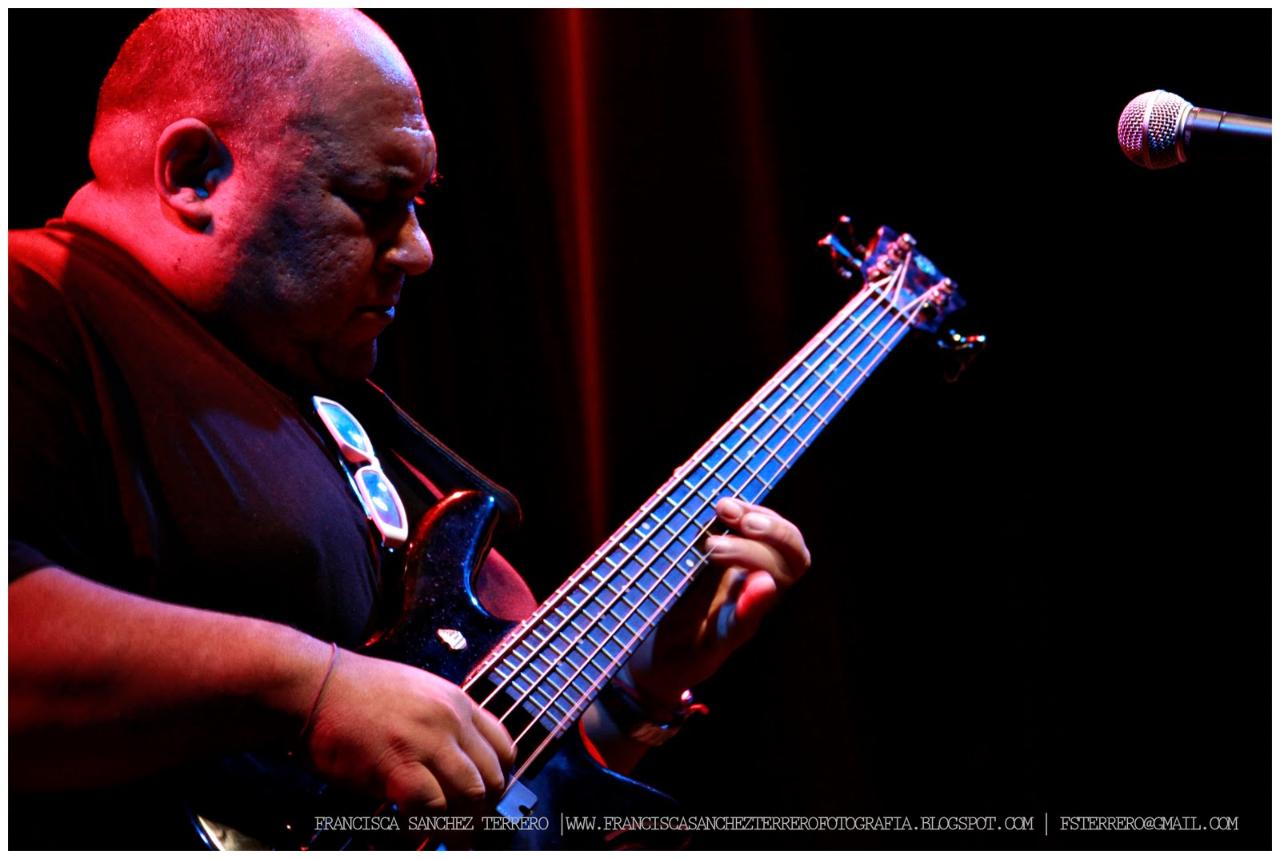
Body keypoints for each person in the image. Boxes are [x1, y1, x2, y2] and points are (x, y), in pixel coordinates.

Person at [8, 9, 810, 848]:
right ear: (194, 173)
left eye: (418, 204)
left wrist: (638, 688)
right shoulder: (33, 302)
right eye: (376, 201)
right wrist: (315, 687)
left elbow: (474, 802)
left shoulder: (345, 409)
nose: (420, 251)